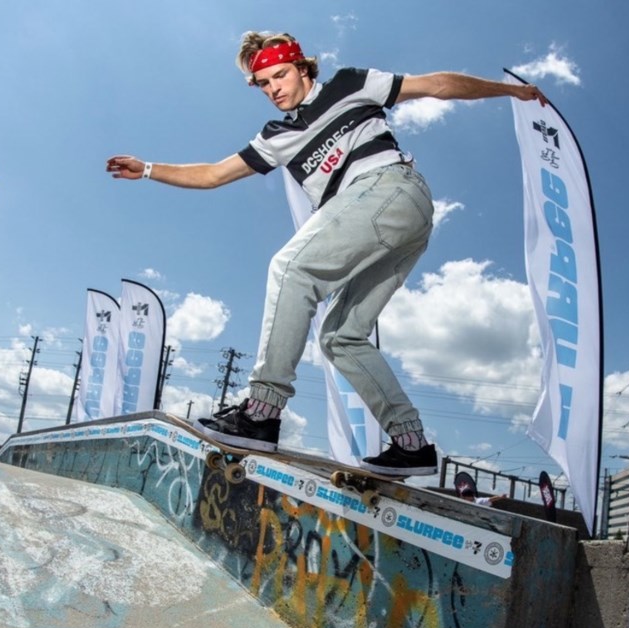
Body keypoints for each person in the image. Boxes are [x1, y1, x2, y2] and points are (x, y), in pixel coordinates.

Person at [106, 31, 547, 475]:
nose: (274, 88)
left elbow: (435, 85)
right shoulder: (277, 136)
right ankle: (410, 442)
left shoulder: (350, 85)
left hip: (389, 188)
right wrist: (147, 170)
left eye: (280, 75)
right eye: (263, 83)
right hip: (396, 226)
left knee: (290, 268)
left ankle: (262, 412)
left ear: (303, 68)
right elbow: (214, 174)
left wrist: (510, 91)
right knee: (342, 336)